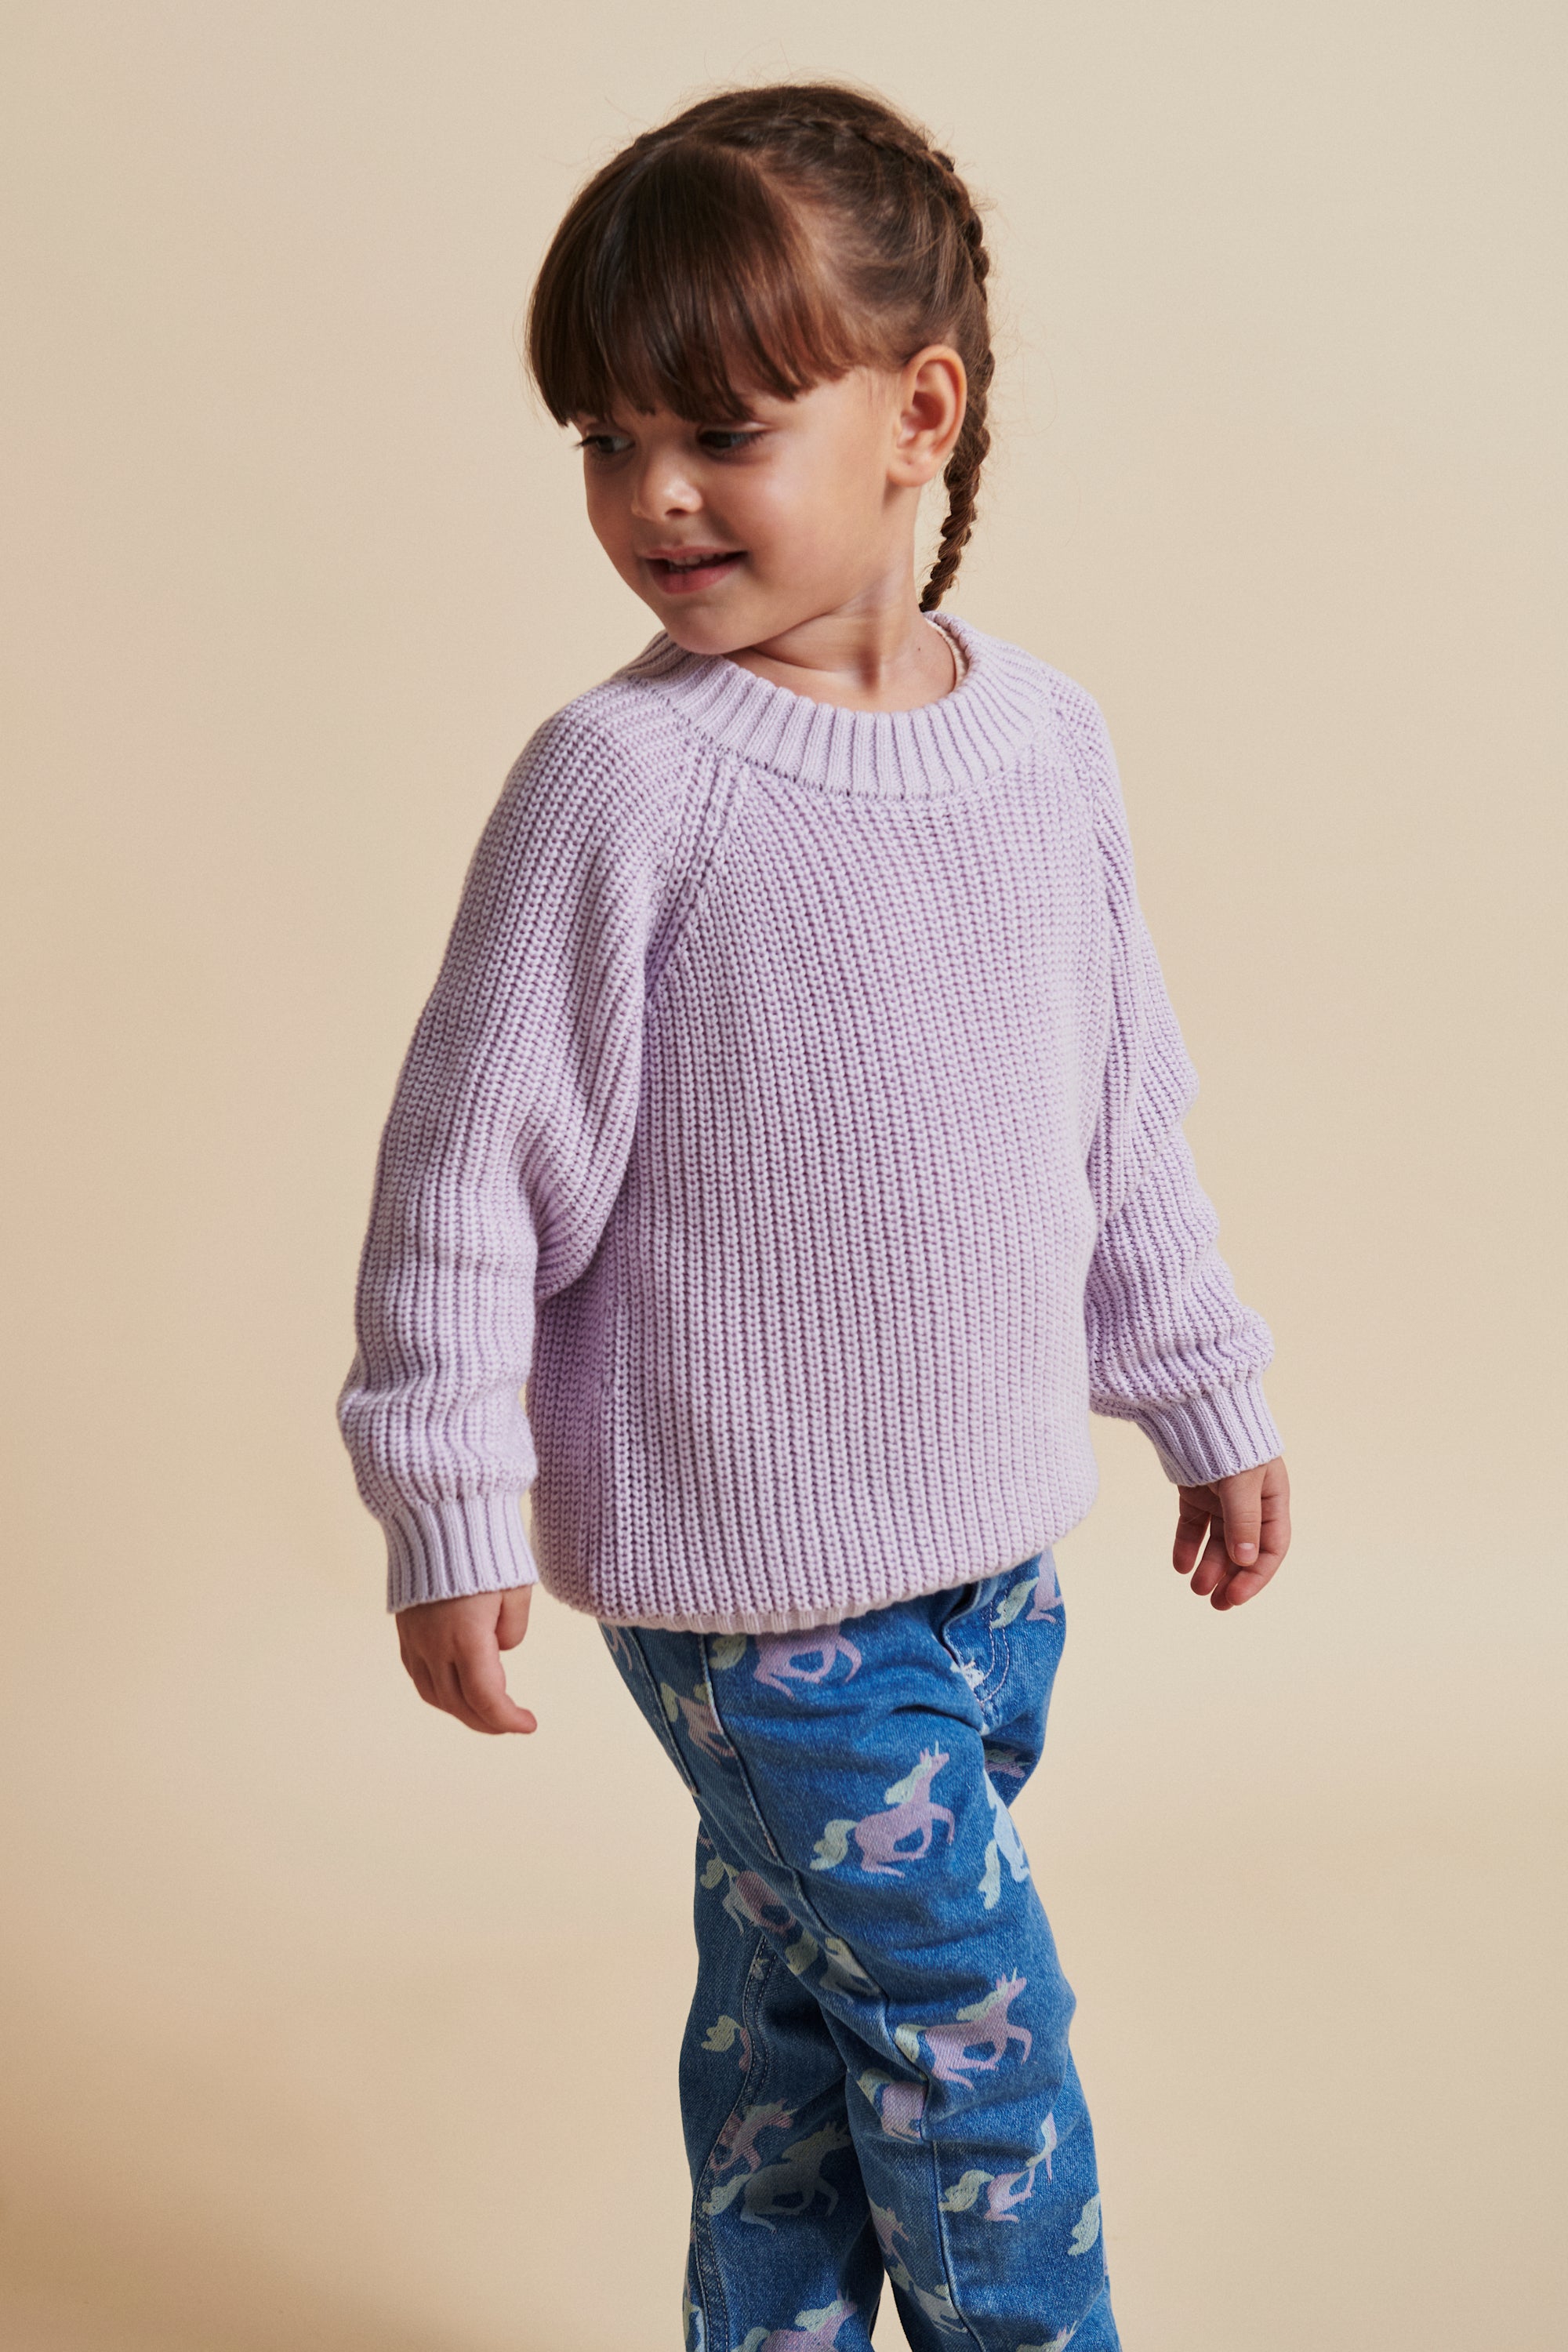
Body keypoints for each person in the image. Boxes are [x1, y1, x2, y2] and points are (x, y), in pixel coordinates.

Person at [336, 78, 1291, 2352]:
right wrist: (447, 1499)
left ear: (914, 416)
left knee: (798, 2047)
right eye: (603, 436)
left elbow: (1120, 1111)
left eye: (721, 430)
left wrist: (1203, 1385)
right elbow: (465, 1174)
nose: (651, 493)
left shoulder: (1048, 745)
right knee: (975, 2040)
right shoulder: (623, 783)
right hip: (760, 1597)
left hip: (993, 1550)